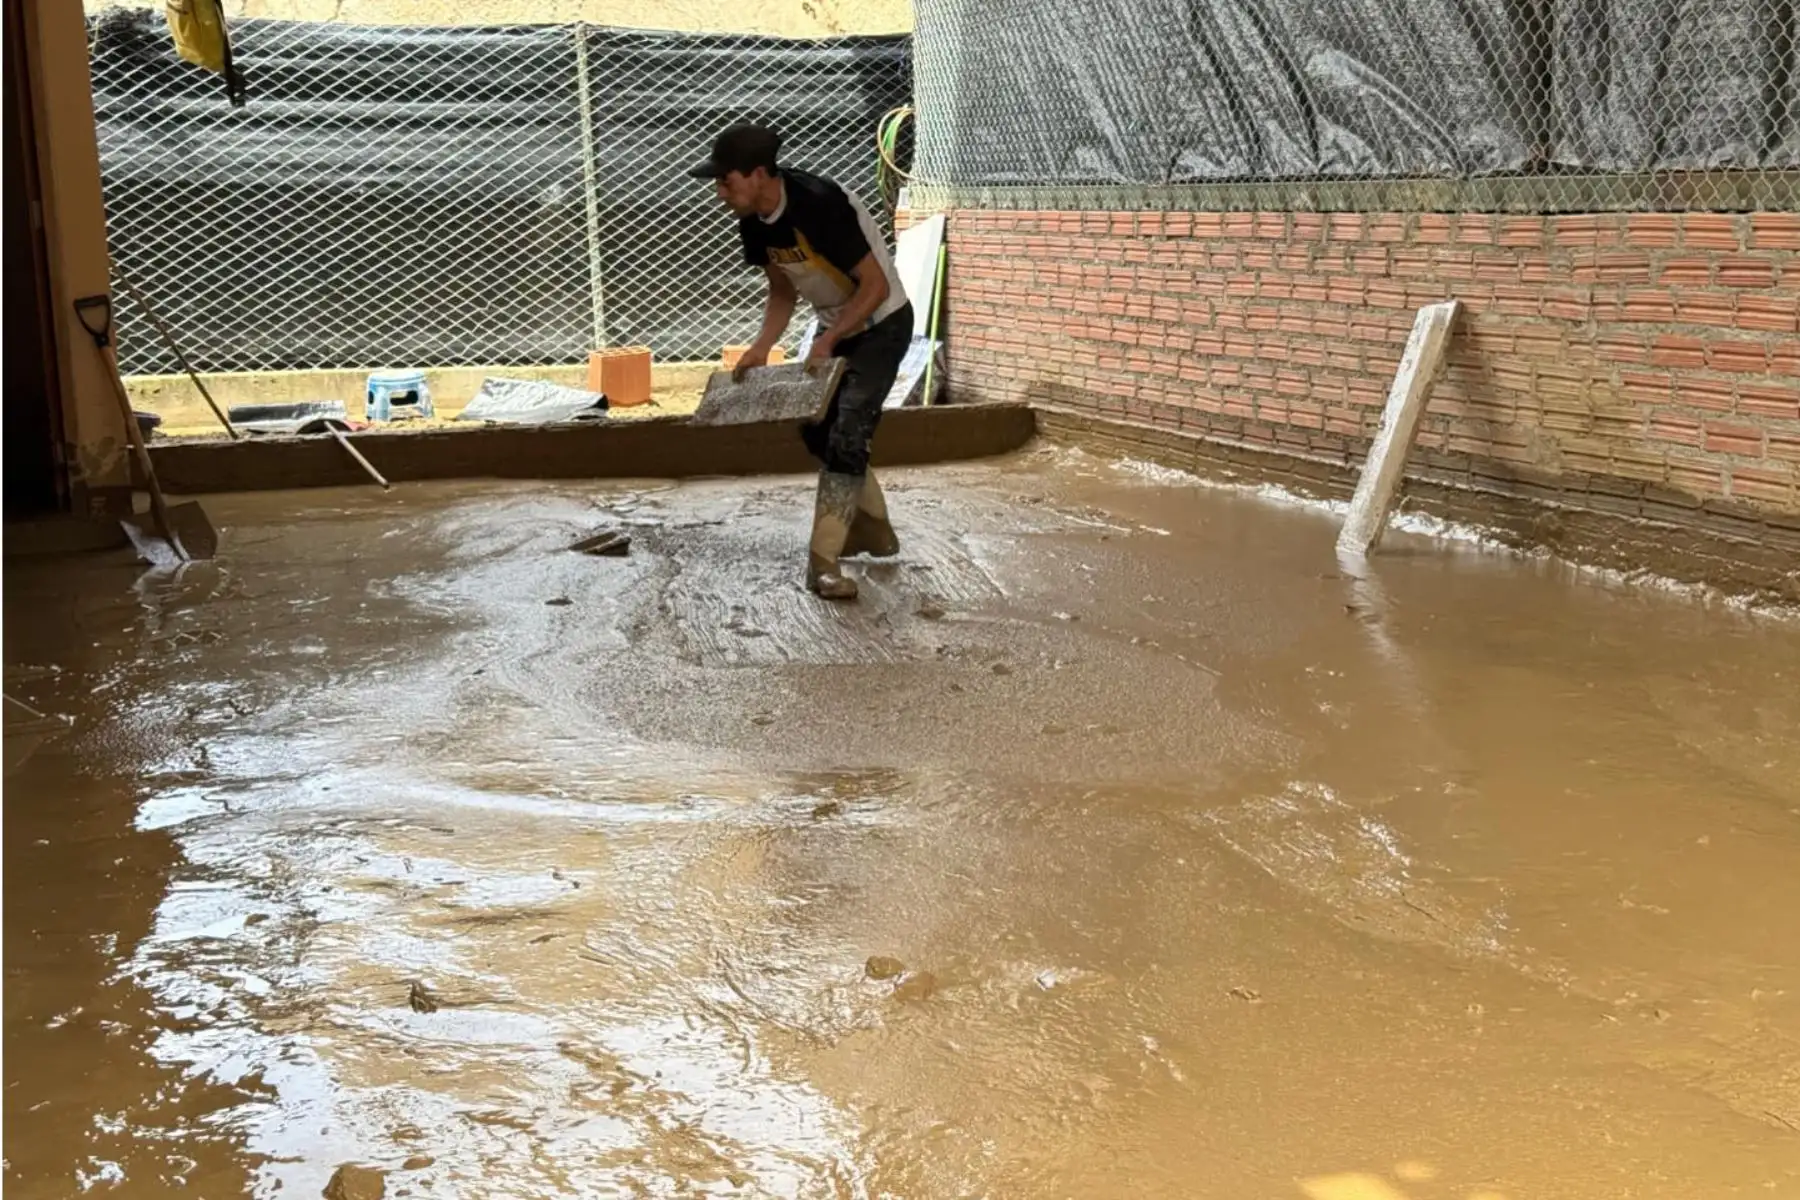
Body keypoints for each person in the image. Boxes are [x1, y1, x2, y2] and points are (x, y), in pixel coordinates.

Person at [690, 123, 914, 601]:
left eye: (725, 180)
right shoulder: (753, 218)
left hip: (880, 323)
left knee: (849, 430)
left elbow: (873, 287)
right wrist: (760, 347)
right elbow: (781, 289)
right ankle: (874, 530)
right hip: (836, 325)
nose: (719, 192)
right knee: (818, 431)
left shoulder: (819, 203)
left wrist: (829, 337)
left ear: (757, 174)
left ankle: (823, 563)